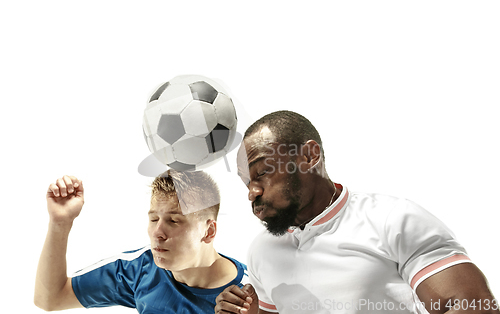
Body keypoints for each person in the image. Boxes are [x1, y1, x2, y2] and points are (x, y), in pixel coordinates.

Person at [215, 110, 498, 314]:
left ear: (309, 156)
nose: (252, 192)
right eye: (246, 182)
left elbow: (472, 304)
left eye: (262, 172)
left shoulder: (392, 219)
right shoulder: (262, 250)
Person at [35, 170, 248, 313]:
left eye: (174, 221)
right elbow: (50, 298)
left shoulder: (252, 292)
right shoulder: (140, 268)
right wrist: (60, 223)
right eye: (154, 219)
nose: (157, 232)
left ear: (209, 231)